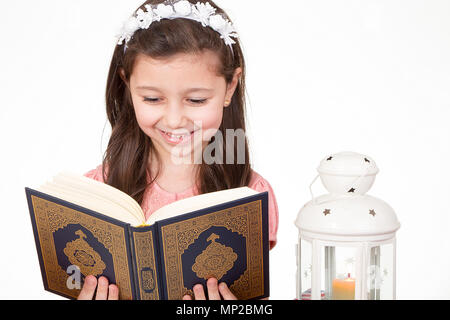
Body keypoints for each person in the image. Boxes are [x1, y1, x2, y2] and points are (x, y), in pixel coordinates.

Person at [78, 0, 279, 300]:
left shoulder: (250, 195)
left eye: (196, 100)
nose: (174, 120)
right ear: (127, 85)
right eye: (151, 99)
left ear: (230, 87)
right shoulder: (97, 191)